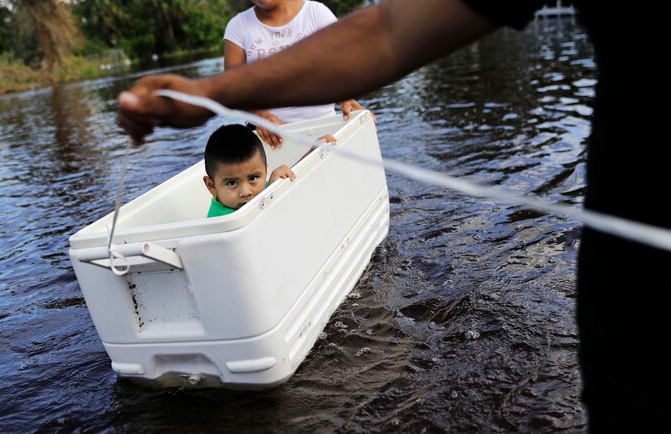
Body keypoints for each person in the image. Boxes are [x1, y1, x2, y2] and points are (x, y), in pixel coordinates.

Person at [117, 0, 669, 432]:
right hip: (632, 270)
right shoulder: (239, 35)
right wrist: (215, 94)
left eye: (248, 182)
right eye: (231, 184)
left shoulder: (314, 14)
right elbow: (392, 30)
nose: (241, 188)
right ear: (213, 186)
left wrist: (344, 106)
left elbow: (381, 36)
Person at [224, 0, 372, 148]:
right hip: (270, 139)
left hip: (324, 127)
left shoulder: (316, 13)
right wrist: (262, 116)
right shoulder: (238, 26)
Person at [204, 123, 295, 217]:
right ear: (212, 186)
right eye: (231, 183)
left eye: (253, 178)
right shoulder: (222, 220)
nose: (246, 192)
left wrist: (276, 183)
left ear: (265, 170)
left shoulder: (260, 188)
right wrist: (272, 192)